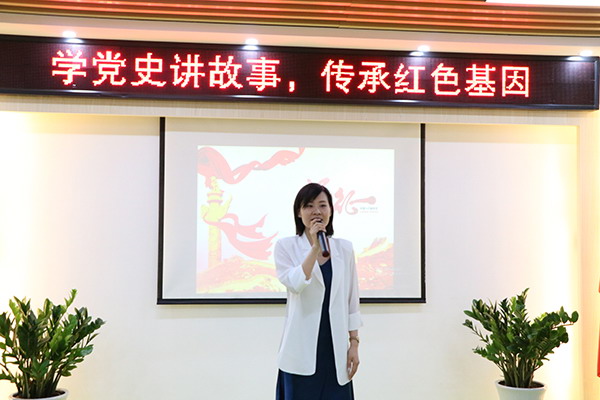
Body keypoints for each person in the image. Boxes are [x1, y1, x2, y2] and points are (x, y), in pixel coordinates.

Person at [275, 183, 362, 400]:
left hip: (335, 348)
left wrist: (354, 343)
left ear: (331, 210)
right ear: (299, 212)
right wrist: (315, 247)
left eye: (323, 205)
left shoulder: (344, 248)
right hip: (300, 348)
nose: (316, 211)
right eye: (309, 206)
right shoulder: (285, 246)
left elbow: (351, 299)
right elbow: (295, 283)